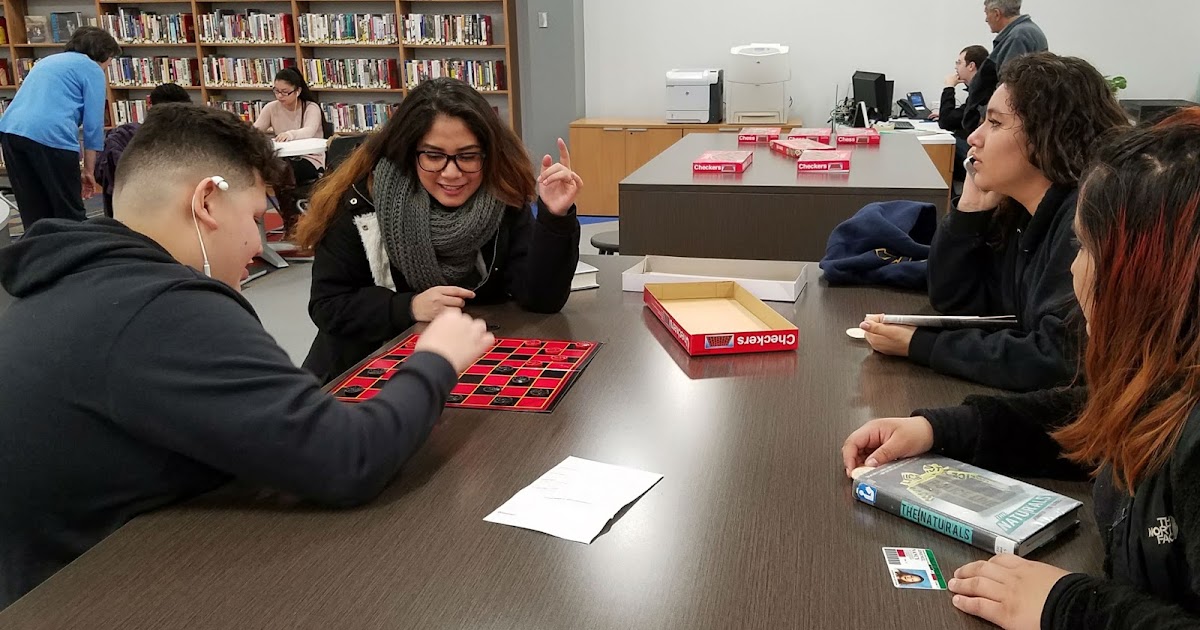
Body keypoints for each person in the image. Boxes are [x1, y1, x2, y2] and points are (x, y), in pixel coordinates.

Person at [0, 103, 495, 610]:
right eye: (255, 218)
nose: (257, 247)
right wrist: (436, 358)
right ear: (208, 202)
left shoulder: (73, 281)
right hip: (96, 602)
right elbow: (350, 457)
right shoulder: (163, 310)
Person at [843, 108, 1200, 630]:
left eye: (1086, 248)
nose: (1075, 268)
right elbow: (1093, 417)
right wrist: (942, 428)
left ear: (1146, 272)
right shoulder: (1165, 382)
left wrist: (1066, 607)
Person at [857, 53, 1129, 392]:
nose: (974, 136)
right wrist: (970, 208)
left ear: (1048, 134)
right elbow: (957, 299)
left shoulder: (1083, 222)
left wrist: (921, 345)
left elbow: (1060, 360)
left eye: (996, 123)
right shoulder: (1020, 212)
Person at [294, 78, 582, 384]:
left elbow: (541, 299)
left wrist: (555, 216)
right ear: (408, 151)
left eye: (468, 156)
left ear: (488, 153)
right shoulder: (360, 201)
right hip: (367, 372)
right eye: (433, 156)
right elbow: (328, 305)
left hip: (469, 370)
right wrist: (409, 307)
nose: (451, 172)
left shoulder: (503, 196)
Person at [0, 26, 120, 230]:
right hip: (51, 136)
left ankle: (40, 256)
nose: (107, 68)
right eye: (109, 63)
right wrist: (89, 171)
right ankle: (77, 257)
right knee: (69, 210)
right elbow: (93, 126)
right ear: (104, 54)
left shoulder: (47, 61)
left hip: (10, 131)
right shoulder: (92, 69)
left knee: (32, 208)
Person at [94, 83, 193, 218]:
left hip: (123, 215)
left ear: (149, 106)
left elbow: (101, 173)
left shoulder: (123, 136)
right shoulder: (184, 140)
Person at [253, 67, 327, 235]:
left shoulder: (310, 107)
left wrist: (290, 134)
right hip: (284, 158)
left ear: (298, 91)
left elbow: (309, 130)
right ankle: (290, 219)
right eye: (276, 91)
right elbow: (256, 129)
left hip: (310, 159)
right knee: (277, 167)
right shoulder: (271, 108)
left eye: (285, 92)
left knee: (283, 169)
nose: (280, 96)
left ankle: (292, 220)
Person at [960, 0, 1049, 136]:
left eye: (986, 13)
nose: (985, 19)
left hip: (1002, 122)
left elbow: (1008, 86)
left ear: (997, 14)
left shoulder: (1018, 37)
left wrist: (988, 116)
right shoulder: (1026, 32)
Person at [934, 45, 989, 178]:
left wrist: (949, 88)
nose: (956, 67)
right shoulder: (980, 89)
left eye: (959, 63)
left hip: (978, 154)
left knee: (942, 146)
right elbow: (955, 117)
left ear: (971, 66)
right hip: (976, 148)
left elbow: (946, 122)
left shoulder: (981, 93)